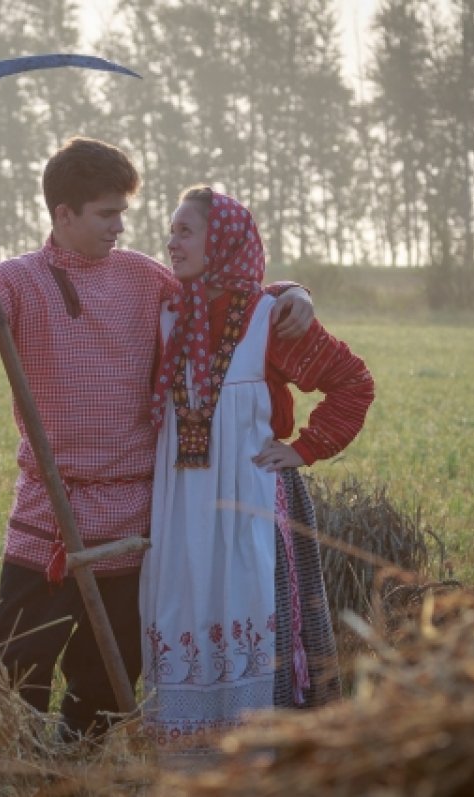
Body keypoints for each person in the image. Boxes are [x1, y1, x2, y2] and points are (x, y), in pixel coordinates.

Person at [0, 138, 314, 742]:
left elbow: (225, 292)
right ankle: (21, 763)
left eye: (122, 213)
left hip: (133, 517)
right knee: (18, 661)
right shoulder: (17, 281)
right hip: (49, 512)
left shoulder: (142, 276)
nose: (120, 227)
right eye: (107, 214)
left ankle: (79, 762)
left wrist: (292, 292)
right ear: (63, 214)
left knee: (109, 678)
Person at [139, 185, 375, 752]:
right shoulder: (169, 313)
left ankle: (262, 759)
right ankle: (190, 765)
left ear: (220, 240)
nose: (172, 242)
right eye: (170, 231)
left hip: (248, 503)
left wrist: (304, 447)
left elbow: (352, 384)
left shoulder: (272, 318)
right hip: (179, 508)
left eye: (185, 231)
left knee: (254, 612)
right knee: (185, 614)